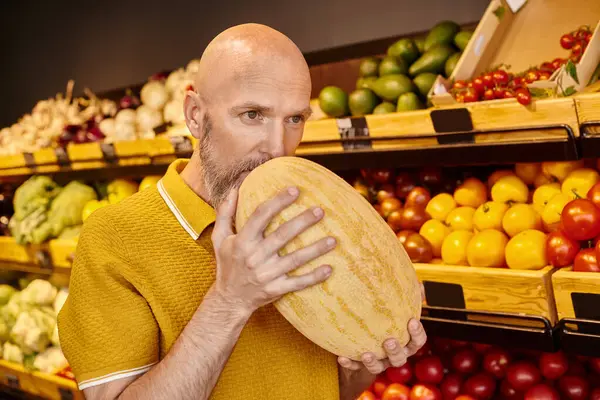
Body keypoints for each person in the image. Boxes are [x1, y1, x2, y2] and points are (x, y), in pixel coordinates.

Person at [58, 23, 427, 400]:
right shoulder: (114, 237)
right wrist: (230, 300)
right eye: (253, 114)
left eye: (295, 119)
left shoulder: (312, 220)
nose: (276, 146)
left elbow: (325, 389)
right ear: (195, 115)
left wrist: (360, 366)